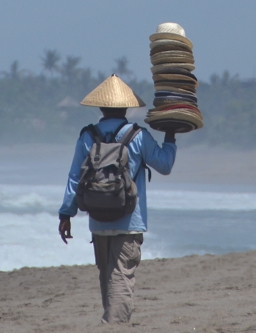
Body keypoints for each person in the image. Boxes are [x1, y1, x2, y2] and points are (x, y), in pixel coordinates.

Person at [58, 74, 176, 323]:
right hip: (129, 221)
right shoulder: (138, 136)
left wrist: (66, 214)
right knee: (121, 278)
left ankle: (109, 322)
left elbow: (74, 178)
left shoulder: (87, 136)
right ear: (127, 107)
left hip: (98, 220)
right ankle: (114, 326)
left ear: (100, 107)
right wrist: (171, 137)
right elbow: (165, 165)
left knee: (107, 277)